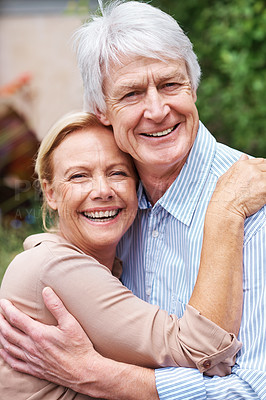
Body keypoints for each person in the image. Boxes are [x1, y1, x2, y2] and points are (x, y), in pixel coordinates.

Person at [0, 1, 265, 399]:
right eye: (132, 93)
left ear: (194, 87)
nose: (157, 110)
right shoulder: (113, 214)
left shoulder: (253, 205)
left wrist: (94, 375)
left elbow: (253, 389)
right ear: (101, 110)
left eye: (171, 84)